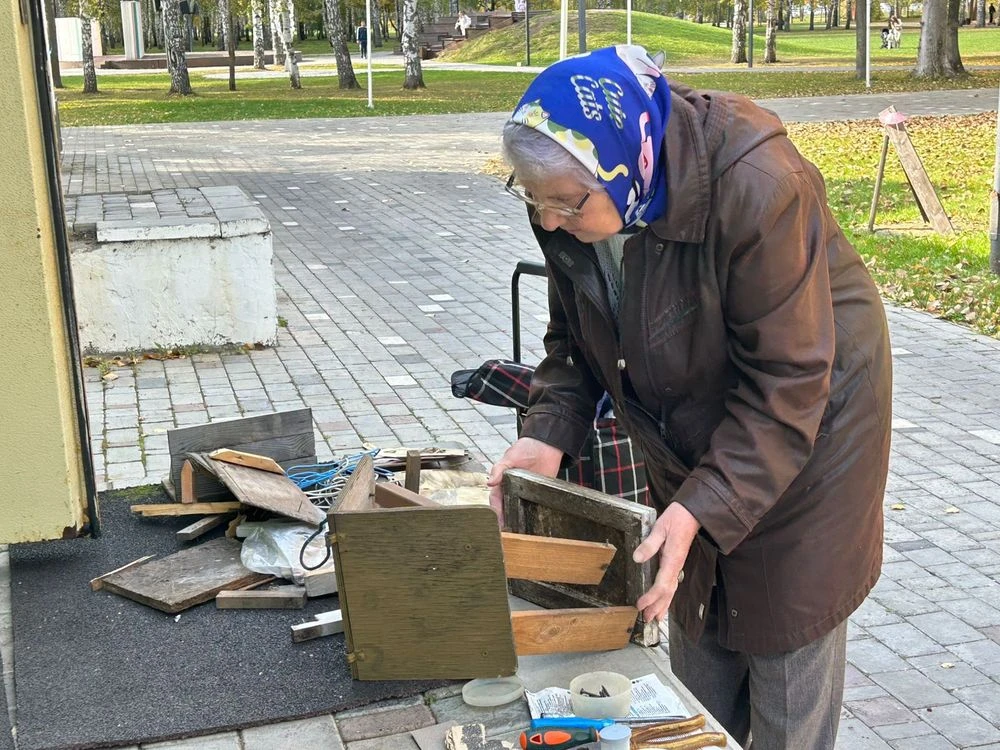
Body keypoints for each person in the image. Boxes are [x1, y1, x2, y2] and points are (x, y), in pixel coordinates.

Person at [487, 45, 892, 749]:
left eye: (565, 204)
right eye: (531, 199)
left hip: (812, 439)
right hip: (696, 429)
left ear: (626, 167)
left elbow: (789, 382)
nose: (548, 221)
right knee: (696, 651)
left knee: (783, 644)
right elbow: (575, 339)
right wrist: (547, 430)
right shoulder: (572, 197)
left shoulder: (760, 185)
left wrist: (703, 504)